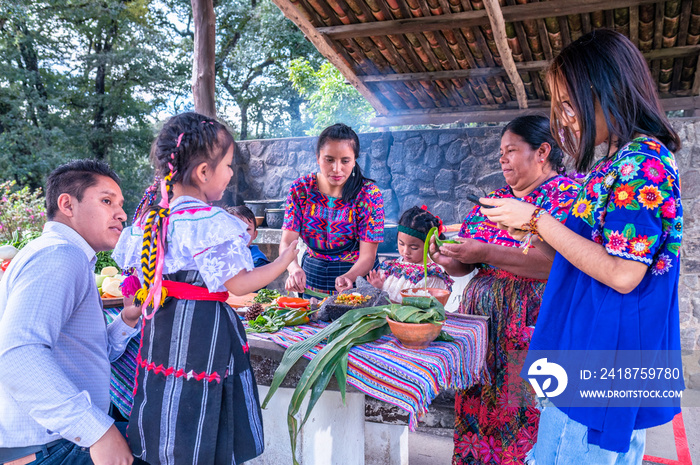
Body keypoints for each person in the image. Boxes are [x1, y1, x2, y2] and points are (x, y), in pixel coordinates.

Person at [483, 29, 684, 463]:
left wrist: (537, 219)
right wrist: (535, 230)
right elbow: (584, 252)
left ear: (607, 91)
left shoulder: (641, 165)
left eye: (569, 104)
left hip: (601, 355)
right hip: (585, 343)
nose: (566, 119)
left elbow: (623, 273)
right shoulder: (614, 163)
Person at [112, 112, 299, 464]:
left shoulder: (149, 221)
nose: (230, 174)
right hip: (203, 332)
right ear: (202, 172)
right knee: (201, 401)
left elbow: (137, 282)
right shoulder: (209, 222)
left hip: (161, 331)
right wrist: (282, 261)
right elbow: (239, 284)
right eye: (228, 165)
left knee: (166, 397)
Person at [429, 115, 580, 464]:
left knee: (522, 415)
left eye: (511, 150)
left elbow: (555, 265)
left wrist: (484, 252)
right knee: (479, 410)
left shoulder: (566, 198)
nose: (502, 159)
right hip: (483, 329)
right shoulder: (493, 201)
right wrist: (447, 258)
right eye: (501, 152)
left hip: (531, 325)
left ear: (542, 151)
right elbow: (468, 264)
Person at [0, 160, 142, 465]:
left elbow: (80, 353)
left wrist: (127, 320)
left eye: (120, 204)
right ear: (67, 204)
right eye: (107, 201)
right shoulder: (59, 255)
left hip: (57, 440)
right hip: (52, 447)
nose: (121, 214)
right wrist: (98, 432)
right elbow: (17, 354)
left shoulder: (66, 255)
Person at [280, 123, 384, 297]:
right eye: (329, 160)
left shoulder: (369, 195)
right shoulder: (301, 189)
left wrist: (349, 277)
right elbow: (287, 242)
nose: (337, 169)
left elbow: (368, 256)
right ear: (318, 158)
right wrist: (293, 268)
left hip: (357, 281)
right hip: (312, 278)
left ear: (354, 160)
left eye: (345, 161)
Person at [367, 205, 453, 303]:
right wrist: (379, 287)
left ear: (428, 245)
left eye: (414, 248)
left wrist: (386, 300)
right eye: (401, 244)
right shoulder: (392, 267)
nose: (405, 251)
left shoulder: (430, 276)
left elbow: (421, 309)